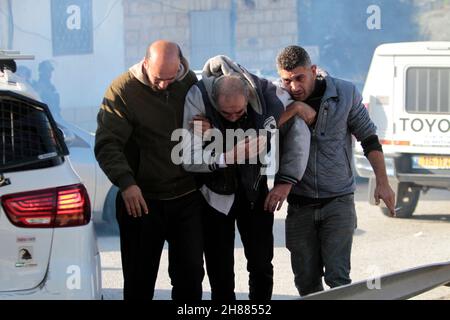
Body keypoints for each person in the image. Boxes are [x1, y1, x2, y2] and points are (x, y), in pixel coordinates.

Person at [181, 55, 310, 300]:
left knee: (261, 264)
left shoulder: (263, 94)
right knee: (220, 270)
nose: (233, 116)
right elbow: (188, 157)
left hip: (254, 190)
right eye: (225, 113)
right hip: (213, 195)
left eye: (238, 111)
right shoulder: (198, 97)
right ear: (214, 102)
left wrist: (286, 181)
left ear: (248, 100)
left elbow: (269, 133)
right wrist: (225, 149)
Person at [275, 45, 396, 297]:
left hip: (338, 201)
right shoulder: (276, 99)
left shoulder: (345, 92)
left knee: (338, 278)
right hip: (299, 204)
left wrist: (383, 183)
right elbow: (261, 127)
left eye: (300, 78)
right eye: (287, 80)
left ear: (313, 71)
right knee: (306, 283)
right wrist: (295, 109)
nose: (294, 86)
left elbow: (369, 139)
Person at [94, 40, 204, 300]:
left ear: (180, 65)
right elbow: (107, 143)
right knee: (139, 280)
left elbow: (210, 117)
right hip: (142, 200)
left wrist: (207, 126)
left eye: (171, 77)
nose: (165, 84)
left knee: (190, 278)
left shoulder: (188, 81)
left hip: (186, 197)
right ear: (145, 64)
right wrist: (126, 183)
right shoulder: (122, 90)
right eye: (158, 78)